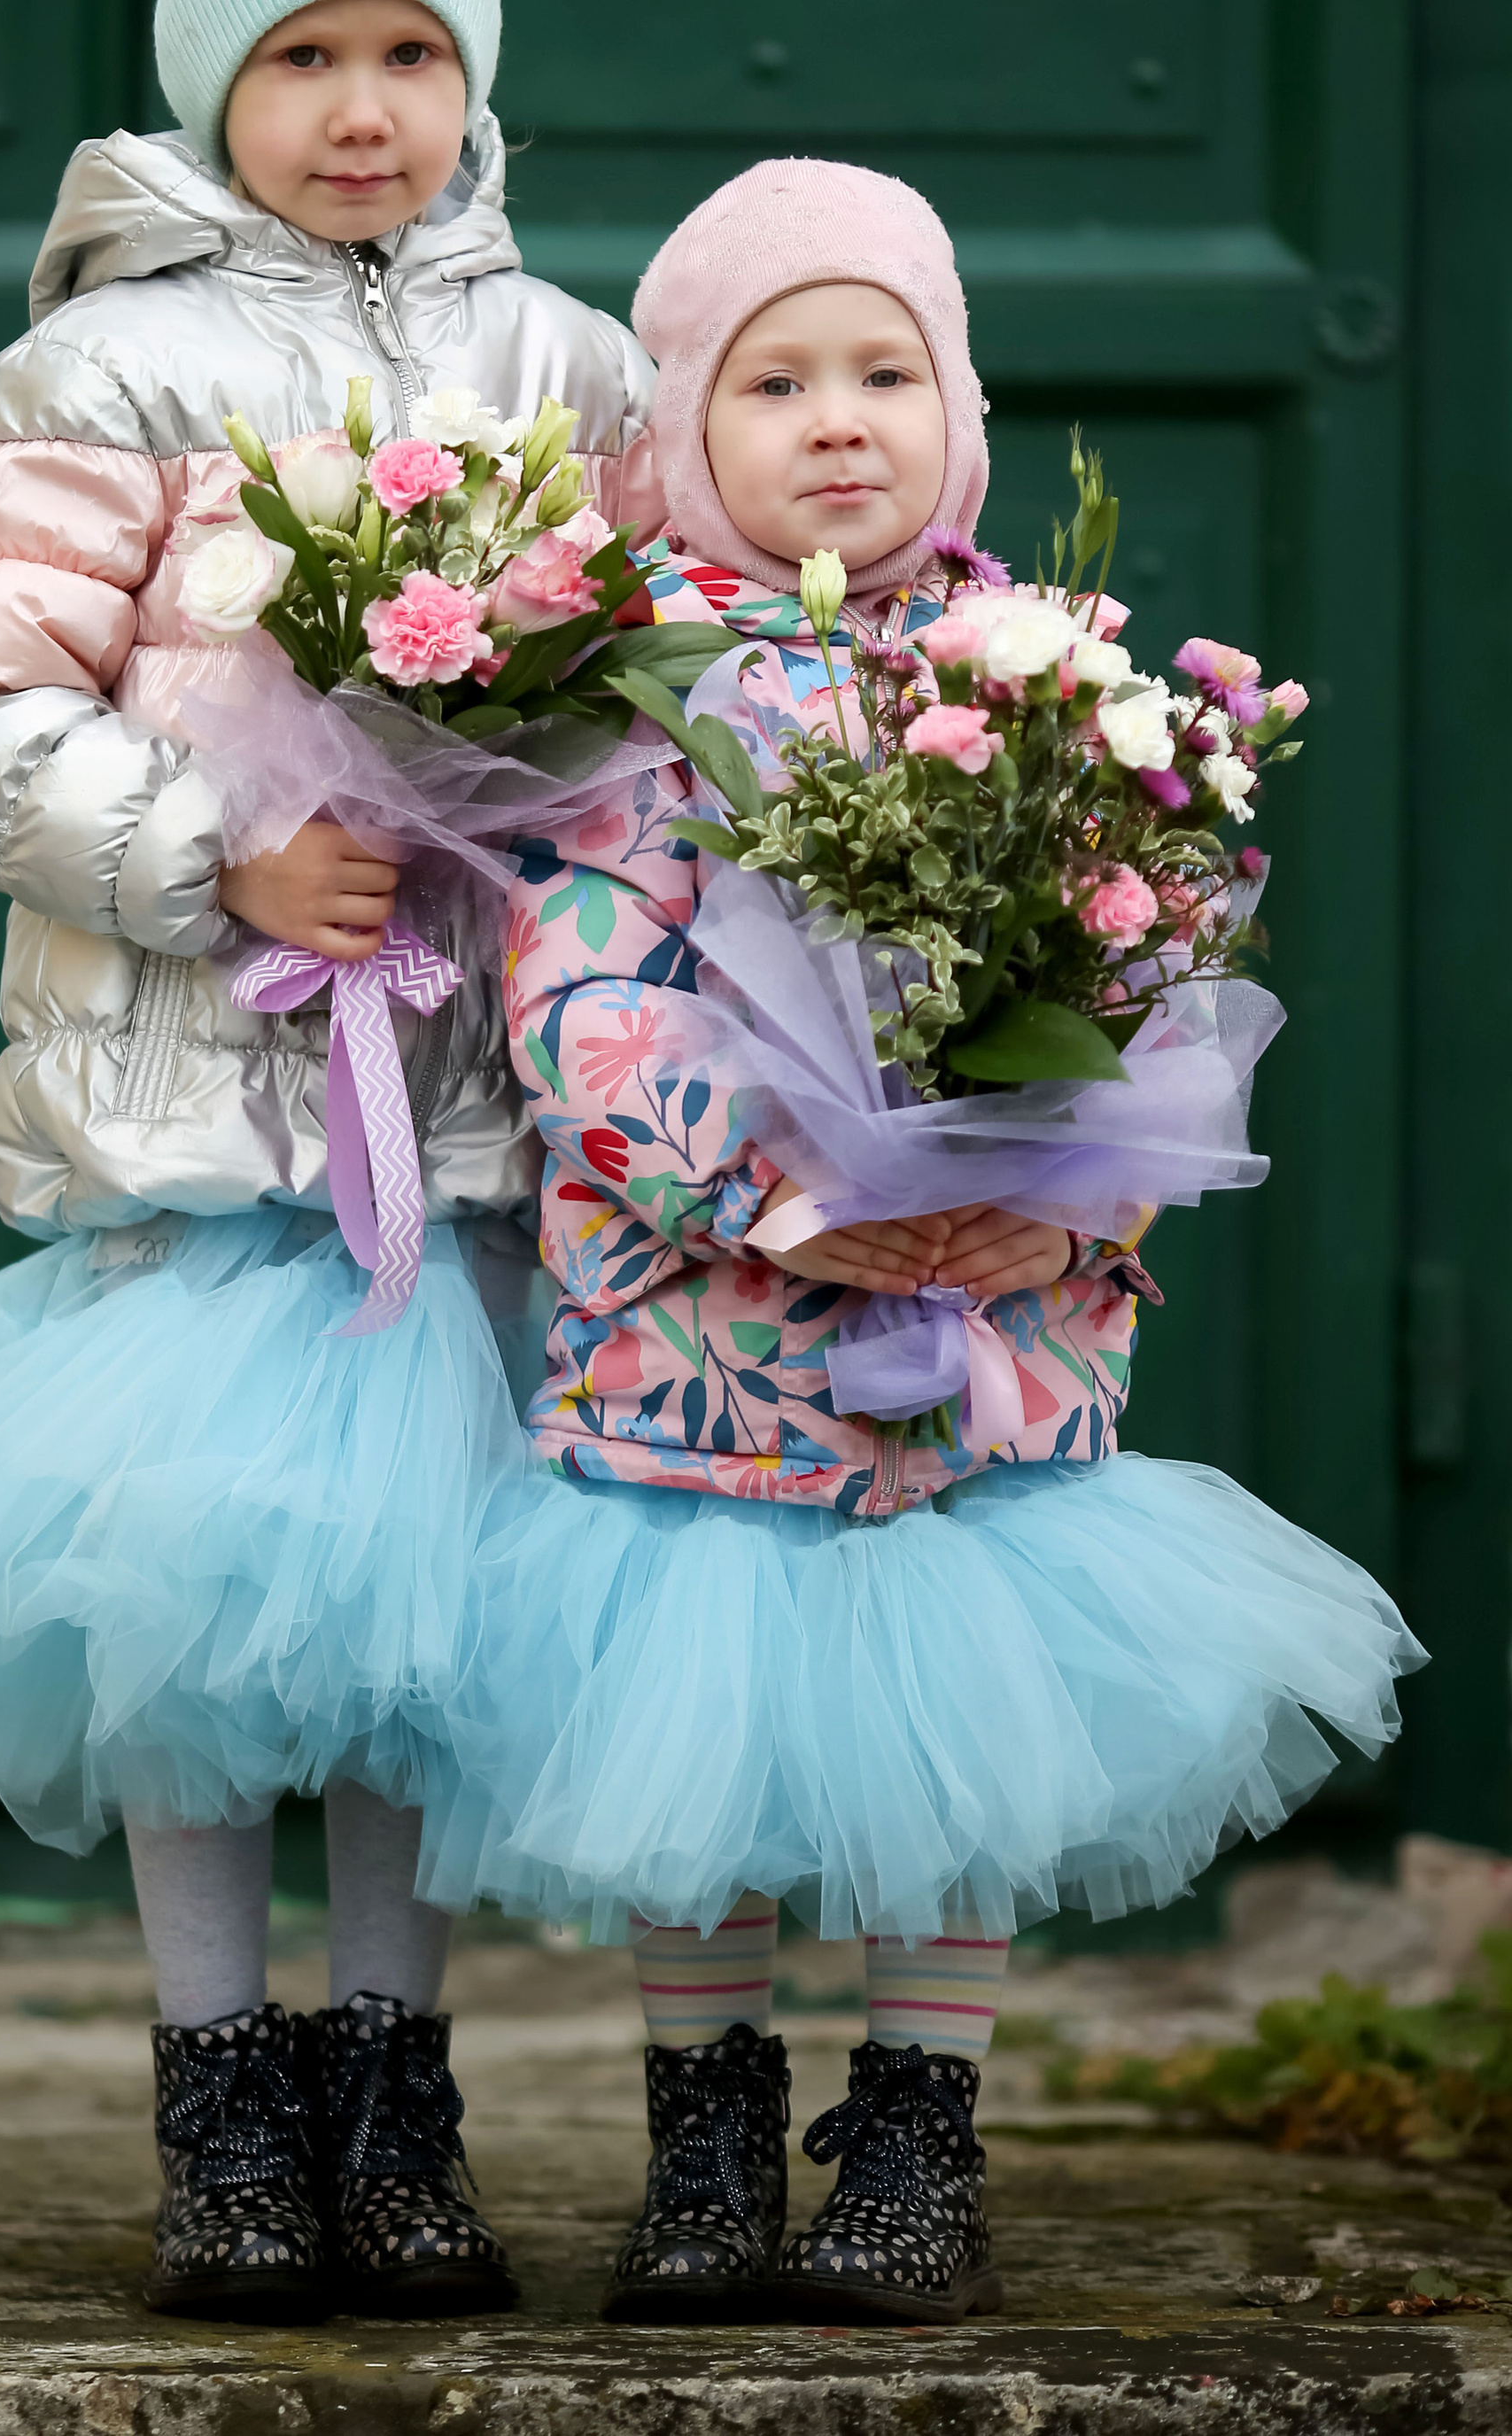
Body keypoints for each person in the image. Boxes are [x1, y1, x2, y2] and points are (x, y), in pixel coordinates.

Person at [0, 0, 655, 2323]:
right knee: (197, 1609)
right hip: (201, 1108)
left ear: (475, 70)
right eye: (299, 56)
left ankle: (394, 2083)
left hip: (463, 1113)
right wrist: (212, 854)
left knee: (415, 1627)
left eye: (409, 50)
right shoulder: (101, 368)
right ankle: (219, 2097)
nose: (362, 109)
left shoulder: (567, 358)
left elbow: (648, 700)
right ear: (206, 81)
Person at [422, 157, 1420, 2327]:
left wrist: (1067, 1195)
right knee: (691, 1747)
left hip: (977, 1319)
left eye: (881, 371)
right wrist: (779, 1198)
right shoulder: (635, 696)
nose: (835, 422)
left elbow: (1148, 966)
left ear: (954, 407)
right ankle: (704, 2136)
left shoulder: (1042, 676)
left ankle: (914, 2131)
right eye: (771, 381)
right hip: (706, 1339)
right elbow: (582, 998)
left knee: (948, 1737)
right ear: (681, 426)